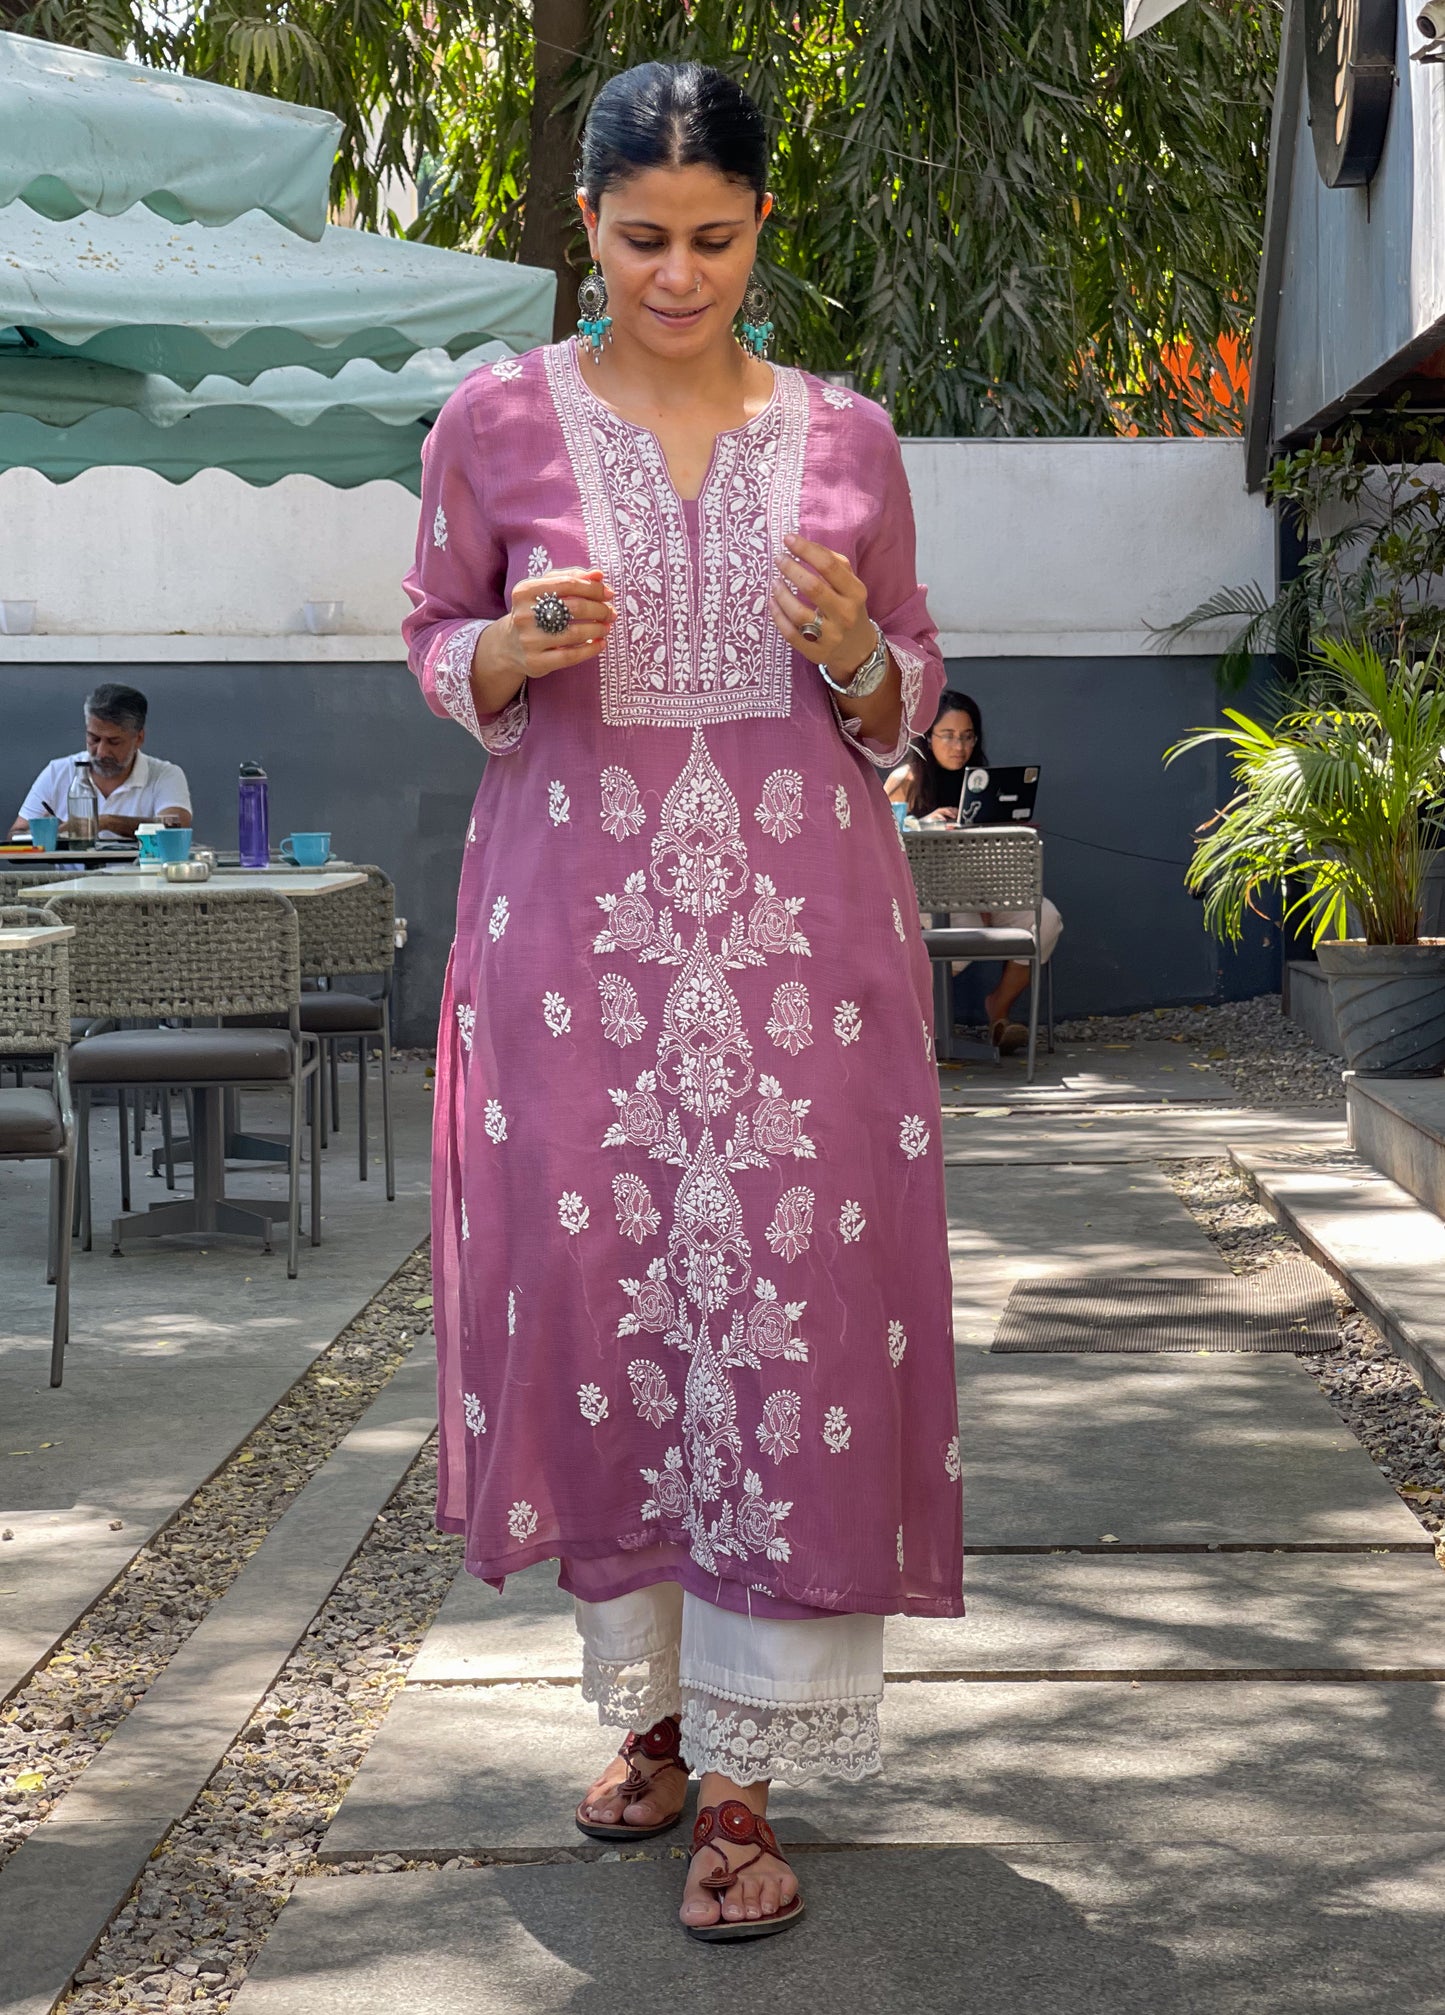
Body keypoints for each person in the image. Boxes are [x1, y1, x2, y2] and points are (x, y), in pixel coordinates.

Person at [403, 62, 961, 1944]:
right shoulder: (493, 423)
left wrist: (857, 658)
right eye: (642, 239)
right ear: (586, 230)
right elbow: (433, 637)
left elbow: (903, 697)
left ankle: (745, 1777)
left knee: (791, 1315)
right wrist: (503, 646)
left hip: (804, 964)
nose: (677, 273)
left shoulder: (849, 438)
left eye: (714, 239)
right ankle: (645, 1715)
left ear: (759, 231)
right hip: (575, 958)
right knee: (606, 1298)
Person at [886, 689, 1062, 1055]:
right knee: (959, 945)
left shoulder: (984, 782)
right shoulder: (905, 780)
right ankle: (912, 1032)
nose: (958, 746)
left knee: (1046, 920)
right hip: (928, 900)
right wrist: (923, 823)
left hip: (989, 892)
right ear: (927, 736)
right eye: (948, 736)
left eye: (967, 736)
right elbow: (880, 842)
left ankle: (998, 1010)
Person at [10, 684, 192, 843]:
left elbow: (175, 827)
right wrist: (48, 833)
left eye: (114, 742)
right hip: (70, 882)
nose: (102, 752)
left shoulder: (165, 775)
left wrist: (106, 822)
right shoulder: (58, 772)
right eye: (94, 739)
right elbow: (15, 834)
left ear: (139, 738)